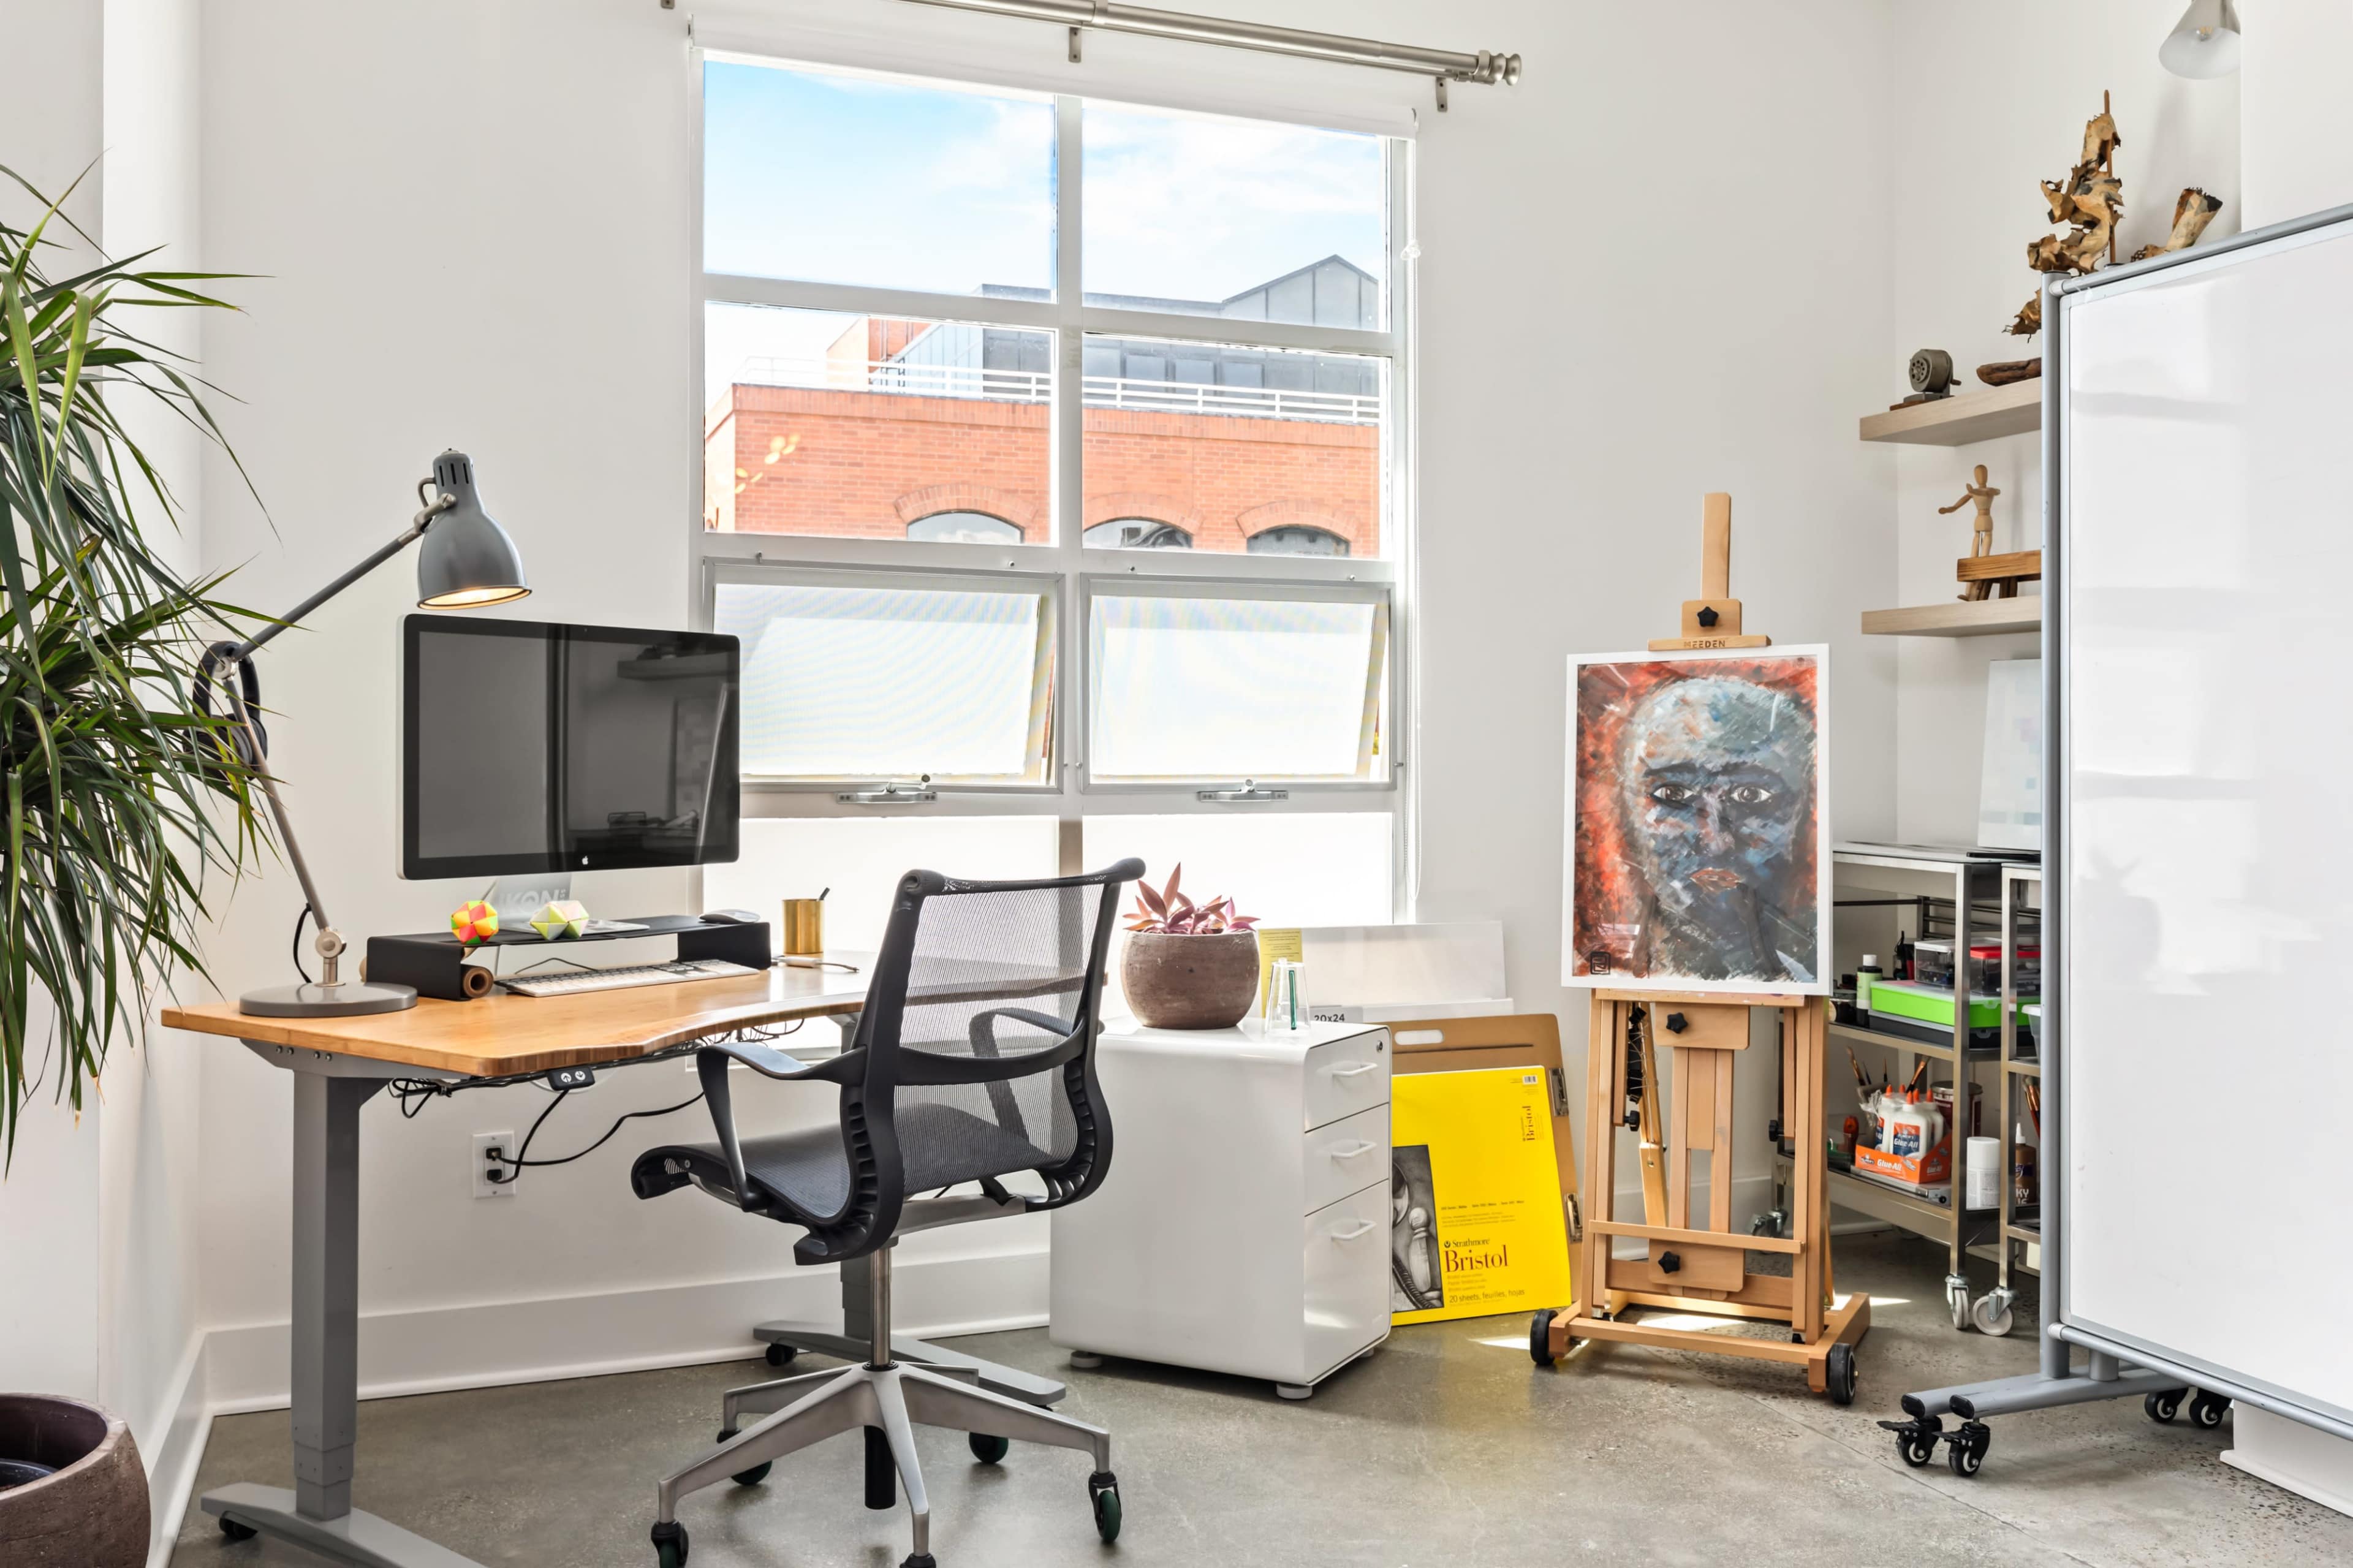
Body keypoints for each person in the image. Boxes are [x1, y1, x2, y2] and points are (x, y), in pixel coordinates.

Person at [1616, 674, 1817, 984]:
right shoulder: (1606, 965)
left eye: (1751, 795)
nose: (1714, 841)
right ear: (1629, 815)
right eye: (1673, 794)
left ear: (1801, 815)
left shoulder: (1807, 977)